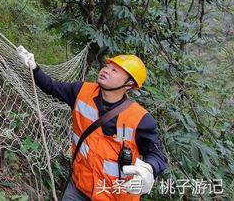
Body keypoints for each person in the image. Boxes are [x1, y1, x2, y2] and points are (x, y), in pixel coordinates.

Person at [17, 47, 167, 201]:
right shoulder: (81, 92)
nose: (106, 70)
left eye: (115, 70)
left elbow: (157, 155)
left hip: (115, 196)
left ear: (129, 85)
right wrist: (33, 67)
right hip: (79, 187)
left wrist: (149, 168)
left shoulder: (140, 119)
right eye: (107, 66)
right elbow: (51, 87)